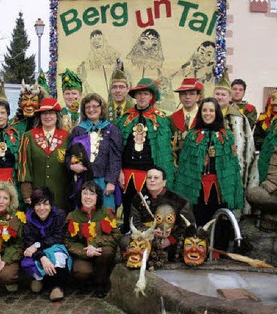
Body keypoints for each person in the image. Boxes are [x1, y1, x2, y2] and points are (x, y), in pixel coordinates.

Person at [172, 98, 243, 249]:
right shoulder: (192, 136)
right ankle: (197, 251)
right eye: (204, 110)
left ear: (217, 113)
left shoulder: (226, 136)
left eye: (211, 110)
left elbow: (231, 167)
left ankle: (218, 252)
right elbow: (185, 166)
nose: (207, 113)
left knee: (219, 220)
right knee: (199, 219)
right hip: (197, 186)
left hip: (219, 187)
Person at [117, 78, 175, 233]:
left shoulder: (161, 119)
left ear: (151, 97)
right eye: (139, 94)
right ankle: (128, 239)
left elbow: (164, 151)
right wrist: (119, 170)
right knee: (128, 206)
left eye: (145, 93)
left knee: (149, 209)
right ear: (135, 96)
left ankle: (150, 239)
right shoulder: (124, 119)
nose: (142, 97)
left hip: (150, 174)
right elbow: (117, 148)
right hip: (128, 173)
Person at [66, 93, 122, 211]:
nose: (91, 110)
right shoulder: (78, 130)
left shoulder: (112, 130)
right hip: (83, 181)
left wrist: (111, 181)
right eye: (87, 107)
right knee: (84, 217)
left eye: (95, 106)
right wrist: (71, 166)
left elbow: (115, 158)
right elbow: (68, 155)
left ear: (101, 108)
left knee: (105, 217)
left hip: (104, 181)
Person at [64, 180, 120, 298]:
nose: (88, 197)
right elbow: (68, 241)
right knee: (82, 272)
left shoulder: (106, 212)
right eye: (85, 193)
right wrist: (86, 251)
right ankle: (87, 281)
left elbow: (116, 236)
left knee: (107, 252)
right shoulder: (73, 216)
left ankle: (101, 283)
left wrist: (94, 244)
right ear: (80, 196)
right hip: (84, 254)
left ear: (97, 197)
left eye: (92, 194)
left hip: (100, 251)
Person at [213, 71, 258, 215]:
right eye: (217, 94)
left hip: (232, 166)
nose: (220, 97)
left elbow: (248, 144)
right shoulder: (208, 113)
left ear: (230, 97)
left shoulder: (240, 118)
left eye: (223, 94)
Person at [129, 167, 195, 263]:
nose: (152, 180)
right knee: (125, 243)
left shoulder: (179, 201)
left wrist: (170, 239)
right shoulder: (138, 198)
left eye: (156, 178)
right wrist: (150, 232)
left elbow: (188, 226)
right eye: (149, 177)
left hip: (171, 240)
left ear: (164, 182)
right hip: (146, 238)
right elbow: (135, 223)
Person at [17, 98, 69, 210]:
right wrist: (26, 193)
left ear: (57, 116)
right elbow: (24, 167)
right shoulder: (28, 137)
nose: (47, 116)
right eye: (44, 113)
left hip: (60, 196)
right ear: (39, 117)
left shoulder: (67, 137)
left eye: (51, 113)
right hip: (36, 196)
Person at [21, 187, 71, 302]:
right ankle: (39, 279)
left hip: (53, 246)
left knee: (59, 257)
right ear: (33, 206)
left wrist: (37, 245)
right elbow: (29, 242)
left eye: (46, 204)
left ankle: (57, 286)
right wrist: (42, 257)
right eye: (38, 205)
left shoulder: (59, 215)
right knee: (27, 261)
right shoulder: (27, 219)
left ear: (51, 205)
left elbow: (58, 237)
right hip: (37, 251)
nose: (42, 208)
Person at [170, 78, 203, 161]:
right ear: (180, 97)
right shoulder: (171, 119)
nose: (187, 97)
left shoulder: (205, 117)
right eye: (184, 94)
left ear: (198, 97)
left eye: (192, 94)